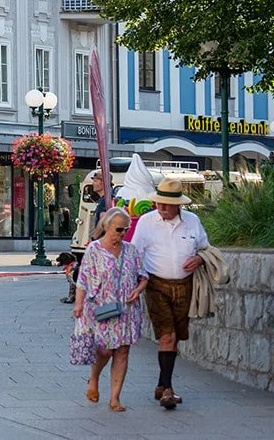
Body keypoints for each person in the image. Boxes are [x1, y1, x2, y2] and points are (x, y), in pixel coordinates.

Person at [128, 176, 212, 410]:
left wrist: (198, 258)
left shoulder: (193, 221)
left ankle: (161, 382)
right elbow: (135, 253)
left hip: (185, 286)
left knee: (175, 336)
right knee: (167, 336)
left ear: (178, 205)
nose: (161, 207)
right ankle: (167, 390)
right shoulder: (146, 222)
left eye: (166, 203)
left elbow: (205, 248)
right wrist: (138, 282)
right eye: (159, 202)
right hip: (156, 285)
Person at [72, 208, 148, 412]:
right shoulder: (94, 250)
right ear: (106, 227)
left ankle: (115, 398)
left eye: (126, 229)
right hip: (100, 308)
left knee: (122, 351)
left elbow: (144, 276)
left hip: (127, 309)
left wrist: (138, 290)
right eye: (118, 229)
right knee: (104, 349)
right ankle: (94, 378)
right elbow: (83, 279)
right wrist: (78, 304)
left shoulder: (131, 250)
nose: (122, 233)